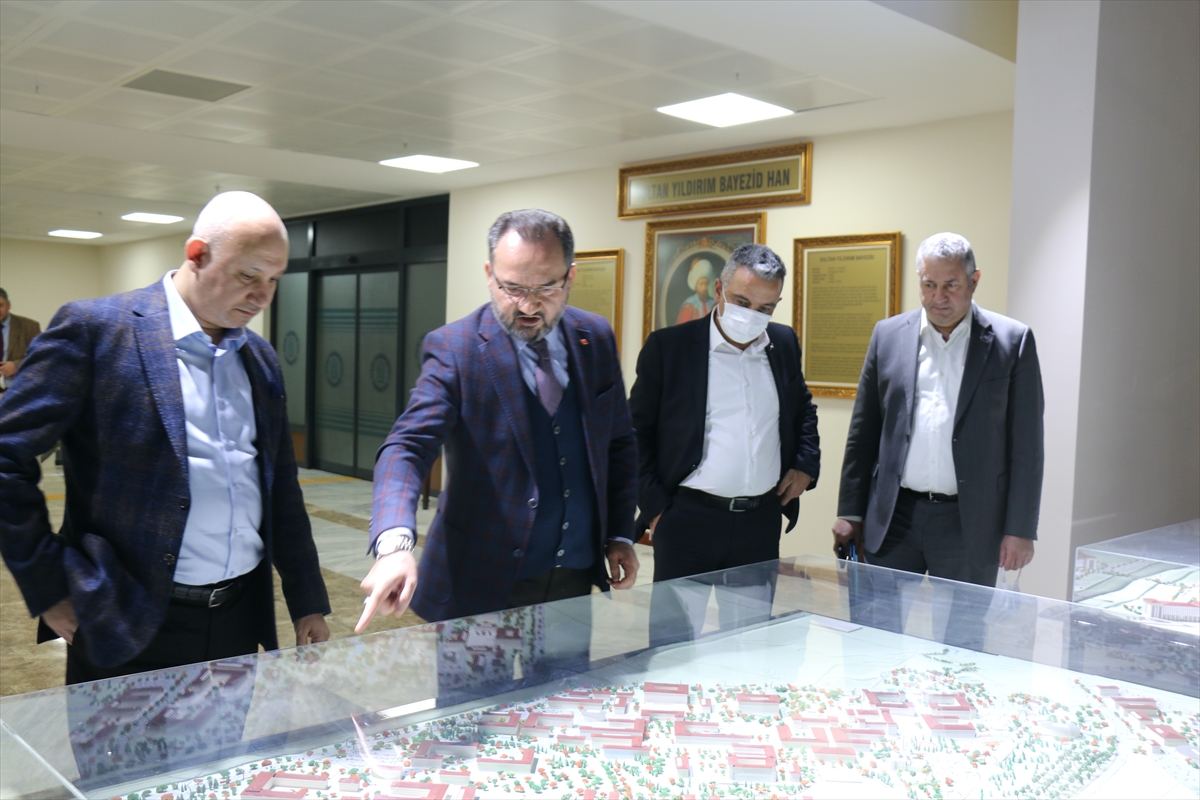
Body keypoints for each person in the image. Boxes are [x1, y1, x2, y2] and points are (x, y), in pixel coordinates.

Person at [0, 191, 331, 684]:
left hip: (238, 618)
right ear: (197, 254)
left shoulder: (258, 358)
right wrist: (49, 587)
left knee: (224, 741)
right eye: (248, 275)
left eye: (274, 280)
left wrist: (307, 600)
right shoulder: (96, 331)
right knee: (119, 741)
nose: (263, 296)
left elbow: (280, 485)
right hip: (124, 618)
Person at [358, 209, 639, 632]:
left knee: (564, 678)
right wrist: (395, 544)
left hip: (572, 577)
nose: (528, 305)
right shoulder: (455, 348)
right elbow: (408, 447)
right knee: (478, 682)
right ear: (490, 275)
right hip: (479, 580)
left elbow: (618, 443)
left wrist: (619, 533)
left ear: (570, 277)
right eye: (513, 288)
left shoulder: (595, 336)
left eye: (546, 287)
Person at [833, 232, 1043, 646]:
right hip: (894, 517)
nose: (938, 297)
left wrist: (1020, 529)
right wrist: (850, 512)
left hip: (968, 522)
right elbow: (864, 431)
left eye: (951, 285)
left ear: (974, 281)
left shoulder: (1012, 341)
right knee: (873, 637)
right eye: (929, 285)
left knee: (961, 645)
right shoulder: (888, 335)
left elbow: (1027, 446)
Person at [629, 243, 820, 643]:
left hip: (759, 521)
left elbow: (802, 408)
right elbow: (636, 433)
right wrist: (656, 509)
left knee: (750, 644)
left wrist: (805, 464)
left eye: (765, 308)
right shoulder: (670, 348)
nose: (751, 315)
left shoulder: (783, 343)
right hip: (688, 520)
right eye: (742, 301)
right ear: (718, 290)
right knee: (672, 647)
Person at [0, 287, 42, 390]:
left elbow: (40, 356)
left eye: (0, 305)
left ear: (8, 305)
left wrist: (17, 366)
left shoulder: (30, 327)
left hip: (18, 389)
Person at [676, 258, 714, 324]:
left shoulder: (713, 305)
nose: (704, 288)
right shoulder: (689, 306)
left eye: (706, 284)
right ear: (696, 286)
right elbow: (682, 328)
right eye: (701, 284)